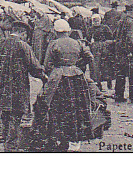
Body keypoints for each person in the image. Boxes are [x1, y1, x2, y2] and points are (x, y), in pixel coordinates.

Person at [32, 19, 96, 151]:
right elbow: (90, 57)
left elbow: (47, 64)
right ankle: (75, 139)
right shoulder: (77, 42)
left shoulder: (53, 43)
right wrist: (78, 65)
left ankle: (58, 137)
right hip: (76, 77)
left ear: (56, 31)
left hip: (58, 78)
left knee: (57, 108)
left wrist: (53, 72)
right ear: (68, 31)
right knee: (77, 107)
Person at [0, 20, 47, 152]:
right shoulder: (23, 46)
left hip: (1, 86)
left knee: (5, 114)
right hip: (18, 87)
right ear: (23, 33)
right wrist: (44, 78)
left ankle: (6, 140)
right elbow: (34, 67)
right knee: (16, 115)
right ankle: (11, 146)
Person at [88, 14, 114, 92]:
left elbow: (110, 36)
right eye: (94, 21)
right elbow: (88, 37)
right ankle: (98, 84)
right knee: (96, 65)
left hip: (105, 46)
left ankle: (109, 81)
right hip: (96, 48)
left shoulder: (105, 27)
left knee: (106, 65)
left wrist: (107, 43)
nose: (96, 22)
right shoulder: (91, 29)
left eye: (97, 21)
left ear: (100, 20)